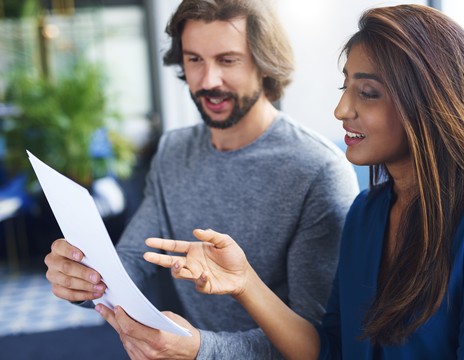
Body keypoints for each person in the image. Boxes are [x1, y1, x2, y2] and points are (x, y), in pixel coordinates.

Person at [143, 4, 464, 359]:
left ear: (430, 104)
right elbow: (331, 349)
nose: (341, 109)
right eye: (344, 86)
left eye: (367, 93)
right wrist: (244, 282)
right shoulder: (368, 213)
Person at [43, 0, 359, 359]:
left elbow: (317, 344)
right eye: (194, 59)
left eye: (227, 60)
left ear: (264, 63)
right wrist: (83, 279)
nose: (208, 81)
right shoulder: (174, 151)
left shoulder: (318, 171)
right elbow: (133, 259)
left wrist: (200, 350)